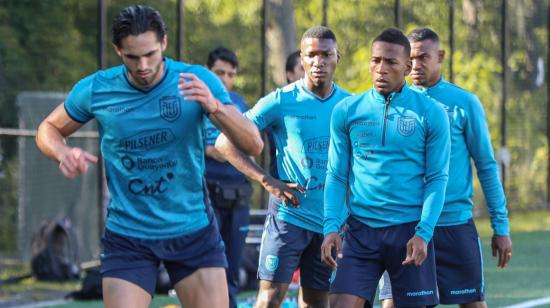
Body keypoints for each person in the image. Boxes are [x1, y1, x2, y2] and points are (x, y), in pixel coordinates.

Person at [35, 5, 263, 308]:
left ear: (164, 43)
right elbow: (48, 129)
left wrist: (215, 107)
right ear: (118, 50)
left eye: (150, 54)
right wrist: (62, 151)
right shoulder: (98, 89)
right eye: (132, 57)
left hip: (191, 229)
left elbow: (253, 143)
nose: (143, 65)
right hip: (129, 234)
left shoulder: (196, 80)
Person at [216, 26, 350, 308]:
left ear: (337, 56)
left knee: (316, 302)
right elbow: (223, 143)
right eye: (311, 55)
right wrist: (266, 180)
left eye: (326, 54)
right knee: (269, 299)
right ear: (301, 59)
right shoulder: (280, 101)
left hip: (330, 225)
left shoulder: (350, 105)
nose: (319, 61)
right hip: (288, 220)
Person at [378, 27, 513, 308]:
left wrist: (500, 226)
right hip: (406, 226)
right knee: (394, 304)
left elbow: (486, 166)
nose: (415, 65)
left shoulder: (464, 103)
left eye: (423, 57)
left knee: (473, 304)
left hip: (454, 224)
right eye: (410, 58)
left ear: (440, 56)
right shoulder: (392, 103)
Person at [321, 28, 451, 308]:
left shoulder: (431, 113)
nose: (381, 69)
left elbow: (437, 178)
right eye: (375, 60)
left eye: (391, 62)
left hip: (409, 231)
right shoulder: (347, 110)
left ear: (407, 66)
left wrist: (424, 232)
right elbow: (335, 174)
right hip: (360, 231)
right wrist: (331, 226)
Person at [203, 46, 253, 308]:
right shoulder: (193, 100)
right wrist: (212, 150)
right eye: (219, 72)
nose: (224, 79)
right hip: (205, 193)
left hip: (238, 194)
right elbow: (189, 144)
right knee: (209, 268)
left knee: (232, 269)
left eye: (230, 74)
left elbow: (249, 142)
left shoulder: (239, 102)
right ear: (207, 72)